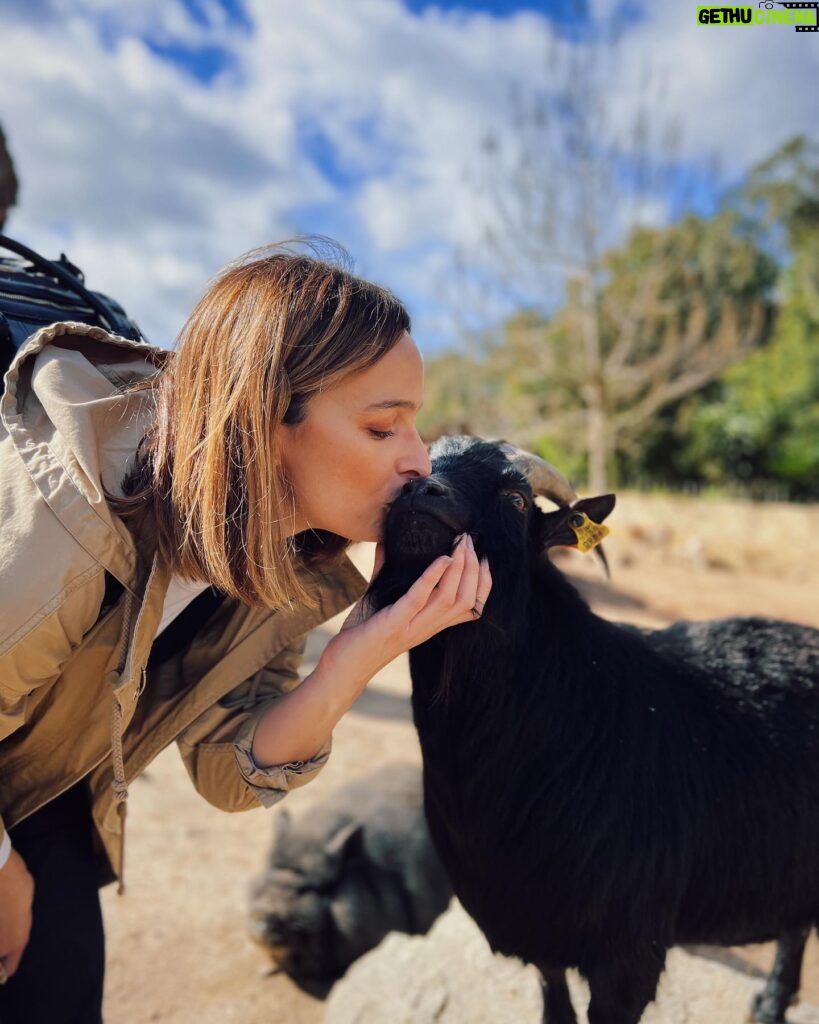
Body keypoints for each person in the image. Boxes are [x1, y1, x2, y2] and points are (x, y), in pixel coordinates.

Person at [0, 244, 492, 1023]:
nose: (417, 460)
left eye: (415, 428)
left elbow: (226, 770)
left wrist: (356, 653)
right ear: (262, 416)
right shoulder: (65, 511)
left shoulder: (282, 546)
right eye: (380, 428)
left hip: (41, 786)